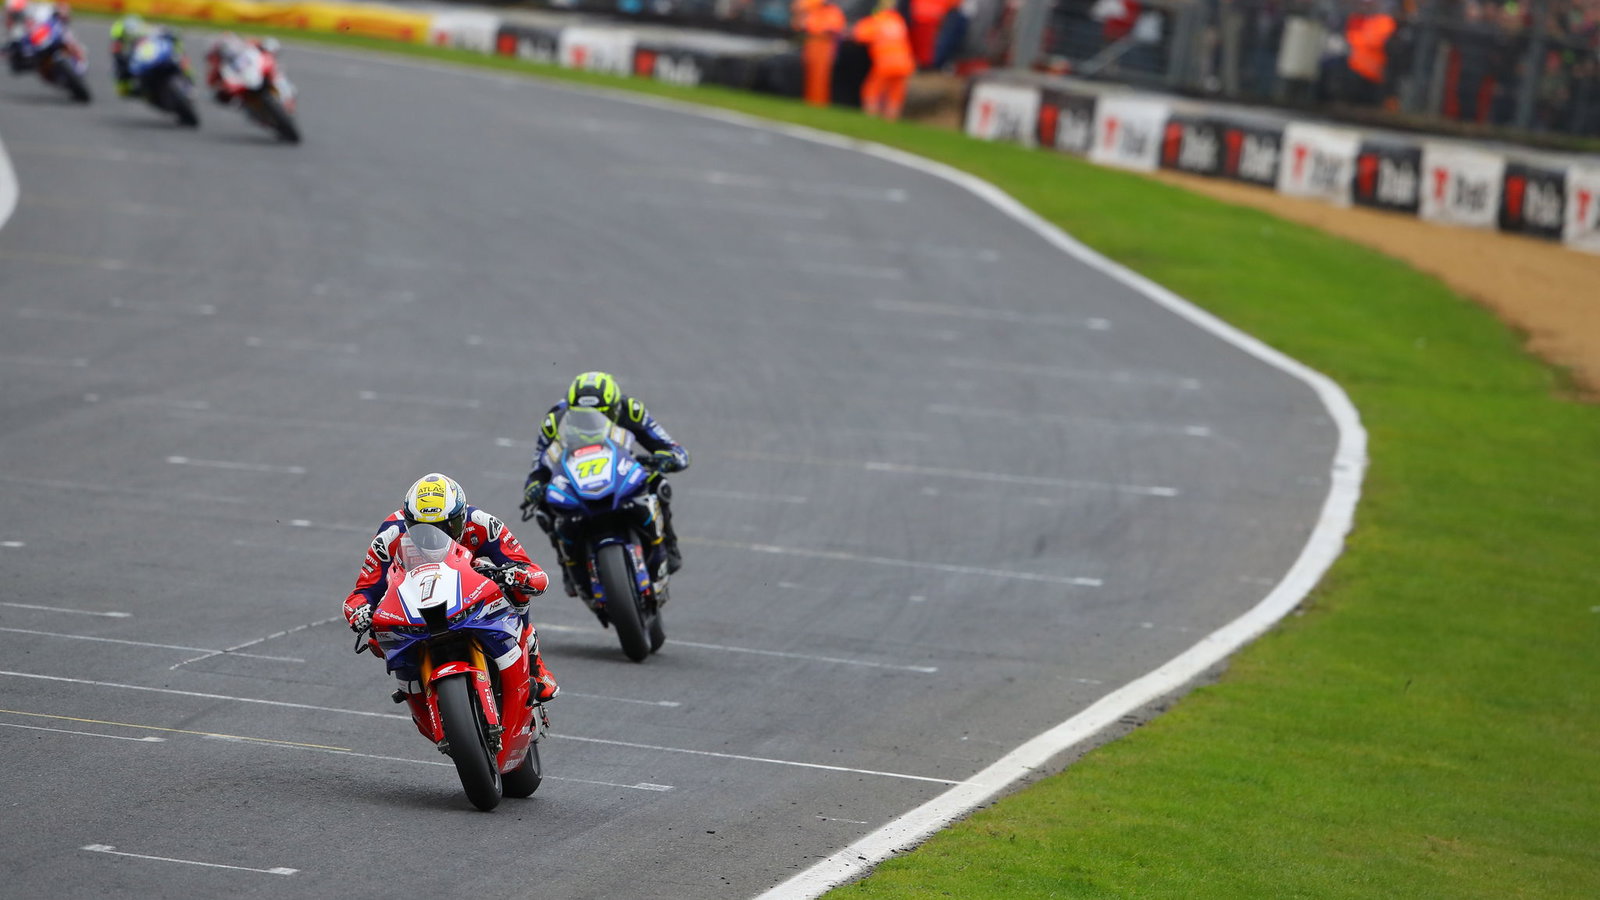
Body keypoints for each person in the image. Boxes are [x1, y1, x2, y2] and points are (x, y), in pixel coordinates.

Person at [343, 473, 561, 705]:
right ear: (409, 523)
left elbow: (529, 569)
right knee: (378, 636)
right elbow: (363, 590)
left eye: (448, 526)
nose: (436, 535)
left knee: (516, 587)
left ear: (461, 516)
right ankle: (413, 688)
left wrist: (520, 575)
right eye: (423, 529)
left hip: (469, 589)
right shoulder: (390, 536)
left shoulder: (481, 522)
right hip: (417, 599)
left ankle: (534, 663)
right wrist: (360, 611)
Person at [521, 372, 690, 598]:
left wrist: (668, 458)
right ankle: (567, 565)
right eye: (582, 416)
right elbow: (538, 464)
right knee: (545, 506)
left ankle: (669, 546)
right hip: (577, 473)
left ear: (614, 409)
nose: (593, 419)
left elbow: (673, 448)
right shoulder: (555, 420)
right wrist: (534, 486)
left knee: (657, 483)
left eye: (602, 414)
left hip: (619, 470)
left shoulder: (632, 411)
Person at [852, 0, 916, 120]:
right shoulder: (897, 19)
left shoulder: (877, 20)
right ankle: (890, 120)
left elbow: (859, 35)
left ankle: (870, 118)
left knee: (871, 89)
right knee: (895, 94)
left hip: (886, 62)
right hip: (904, 63)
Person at [794, 0, 846, 107]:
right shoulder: (814, 9)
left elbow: (834, 29)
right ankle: (808, 100)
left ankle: (819, 102)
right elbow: (800, 24)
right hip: (811, 42)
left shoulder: (834, 11)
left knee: (821, 75)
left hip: (824, 44)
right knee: (809, 72)